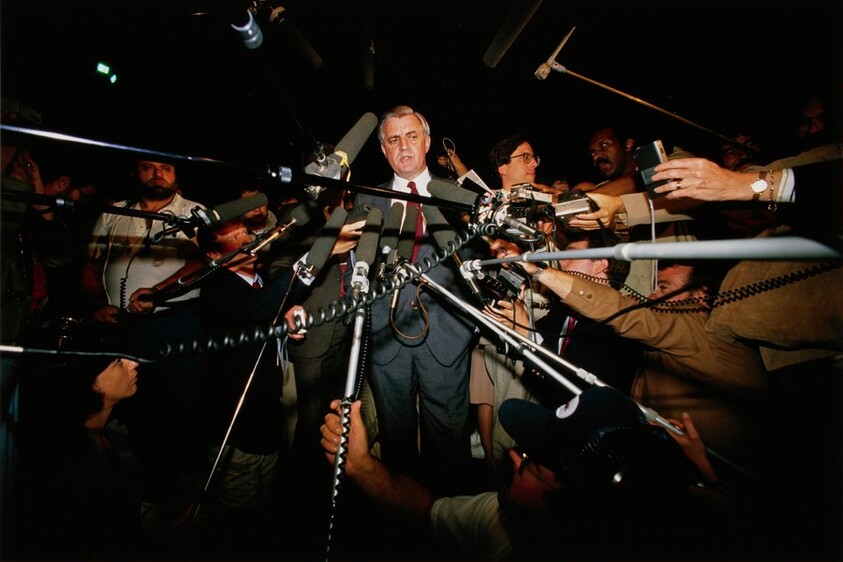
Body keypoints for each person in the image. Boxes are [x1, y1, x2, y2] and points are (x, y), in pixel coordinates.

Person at [321, 386, 713, 561]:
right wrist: (362, 467)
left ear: (571, 501)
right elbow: (428, 509)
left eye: (529, 460)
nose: (511, 456)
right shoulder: (504, 520)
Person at [197, 214, 362, 513]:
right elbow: (258, 307)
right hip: (237, 436)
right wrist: (322, 251)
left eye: (246, 233)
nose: (248, 241)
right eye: (234, 238)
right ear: (212, 254)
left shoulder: (258, 282)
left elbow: (261, 316)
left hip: (265, 429)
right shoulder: (217, 288)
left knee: (264, 513)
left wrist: (284, 324)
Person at [353, 105, 480, 495]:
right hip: (387, 341)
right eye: (394, 139)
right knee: (396, 443)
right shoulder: (366, 199)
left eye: (412, 136)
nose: (404, 146)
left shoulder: (458, 196)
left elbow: (479, 260)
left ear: (426, 141)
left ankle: (449, 520)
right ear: (384, 150)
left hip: (446, 337)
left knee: (449, 442)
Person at [82, 158, 210, 492]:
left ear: (176, 174)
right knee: (130, 413)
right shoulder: (115, 211)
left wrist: (158, 292)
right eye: (147, 167)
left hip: (173, 324)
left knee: (178, 410)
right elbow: (91, 266)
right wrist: (98, 305)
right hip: (119, 326)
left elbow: (202, 264)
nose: (157, 174)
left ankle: (183, 494)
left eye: (166, 168)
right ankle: (137, 491)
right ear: (134, 172)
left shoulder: (194, 212)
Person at [12, 354, 196, 560]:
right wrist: (167, 540)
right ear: (88, 383)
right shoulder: (76, 472)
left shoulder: (113, 433)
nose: (133, 363)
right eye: (117, 362)